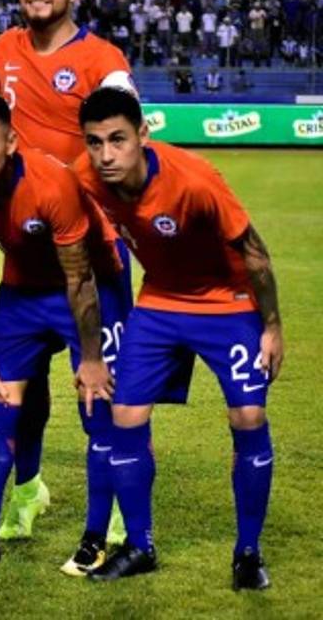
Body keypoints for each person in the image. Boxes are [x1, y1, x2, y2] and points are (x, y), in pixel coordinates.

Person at [75, 87, 282, 590]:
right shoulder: (85, 177)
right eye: (95, 142)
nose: (106, 155)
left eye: (118, 140)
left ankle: (248, 552)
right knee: (124, 415)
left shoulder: (194, 180)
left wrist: (272, 327)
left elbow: (255, 253)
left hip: (227, 299)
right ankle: (139, 546)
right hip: (161, 300)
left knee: (248, 416)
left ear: (143, 135)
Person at [0, 92, 128, 576]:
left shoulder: (52, 183)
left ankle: (97, 538)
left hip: (93, 285)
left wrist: (92, 359)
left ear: (11, 143)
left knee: (99, 408)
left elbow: (79, 278)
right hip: (22, 289)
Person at [0, 0, 137, 540]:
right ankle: (27, 492)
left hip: (92, 263)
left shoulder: (102, 59)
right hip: (25, 266)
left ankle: (118, 509)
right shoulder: (2, 51)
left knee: (101, 392)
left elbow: (127, 138)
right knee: (15, 394)